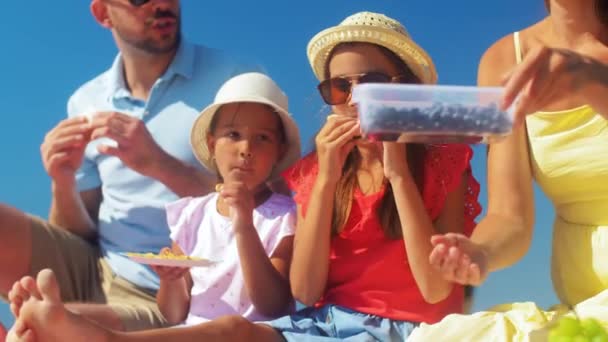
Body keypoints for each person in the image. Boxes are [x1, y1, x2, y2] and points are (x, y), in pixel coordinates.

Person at [5, 11, 481, 342]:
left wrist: (397, 172)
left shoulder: (442, 160)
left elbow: (437, 290)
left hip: (411, 326)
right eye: (340, 87)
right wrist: (329, 175)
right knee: (232, 332)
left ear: (406, 90)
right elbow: (308, 291)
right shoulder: (318, 172)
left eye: (372, 83)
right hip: (328, 322)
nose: (355, 98)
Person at [1, 0, 260, 332]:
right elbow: (79, 232)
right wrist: (62, 180)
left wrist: (160, 164)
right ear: (102, 13)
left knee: (44, 327)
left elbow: (265, 203)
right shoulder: (86, 100)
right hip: (97, 268)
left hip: (173, 294)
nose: (162, 4)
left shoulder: (234, 82)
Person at [8, 72, 302, 340]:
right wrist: (171, 281)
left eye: (262, 138)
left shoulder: (285, 216)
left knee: (230, 327)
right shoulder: (191, 214)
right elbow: (174, 313)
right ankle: (43, 326)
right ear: (212, 145)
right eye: (233, 135)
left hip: (249, 335)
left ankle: (87, 333)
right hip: (189, 333)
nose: (246, 148)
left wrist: (244, 225)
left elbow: (273, 305)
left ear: (279, 152)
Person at [409, 0, 608, 340]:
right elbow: (509, 217)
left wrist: (594, 83)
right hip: (584, 304)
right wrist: (479, 251)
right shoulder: (504, 58)